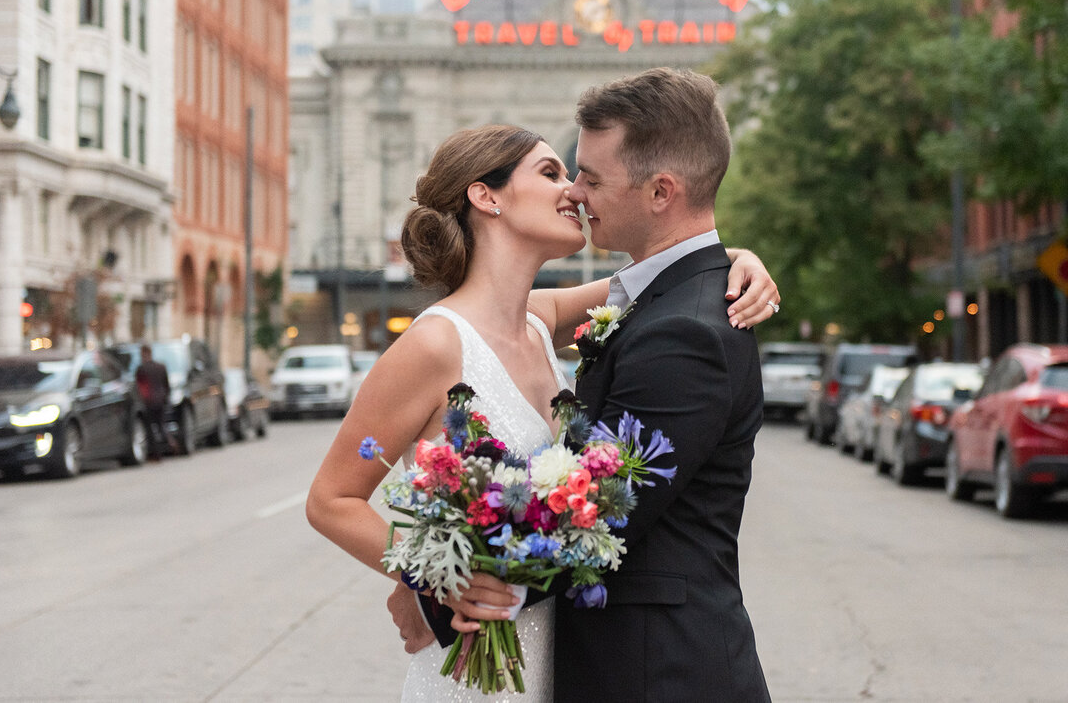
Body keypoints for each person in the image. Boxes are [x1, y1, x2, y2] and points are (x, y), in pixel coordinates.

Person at [306, 120, 778, 701]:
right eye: (552, 173)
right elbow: (331, 499)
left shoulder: (536, 321)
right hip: (477, 669)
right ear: (487, 196)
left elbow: (666, 278)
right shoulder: (433, 345)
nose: (573, 191)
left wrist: (734, 257)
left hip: (558, 656)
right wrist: (429, 576)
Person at [441, 68, 772, 700]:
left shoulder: (687, 333)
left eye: (591, 177)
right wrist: (732, 255)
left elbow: (593, 520)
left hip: (658, 676)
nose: (575, 193)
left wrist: (441, 588)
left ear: (660, 192)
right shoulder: (660, 299)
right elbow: (506, 315)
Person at [135, 344, 174, 461]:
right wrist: (165, 398)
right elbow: (167, 385)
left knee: (150, 429)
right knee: (161, 425)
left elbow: (139, 387)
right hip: (160, 400)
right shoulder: (161, 367)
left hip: (149, 401)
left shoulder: (141, 369)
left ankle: (157, 453)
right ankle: (170, 442)